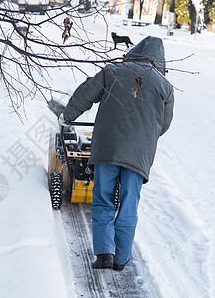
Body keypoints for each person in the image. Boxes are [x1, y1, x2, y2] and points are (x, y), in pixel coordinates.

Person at [59, 36, 174, 270]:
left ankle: (104, 255)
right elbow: (164, 124)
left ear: (134, 52)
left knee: (103, 199)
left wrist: (68, 116)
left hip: (107, 148)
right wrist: (144, 137)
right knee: (128, 203)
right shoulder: (165, 87)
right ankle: (121, 259)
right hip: (139, 156)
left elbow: (85, 94)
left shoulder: (113, 71)